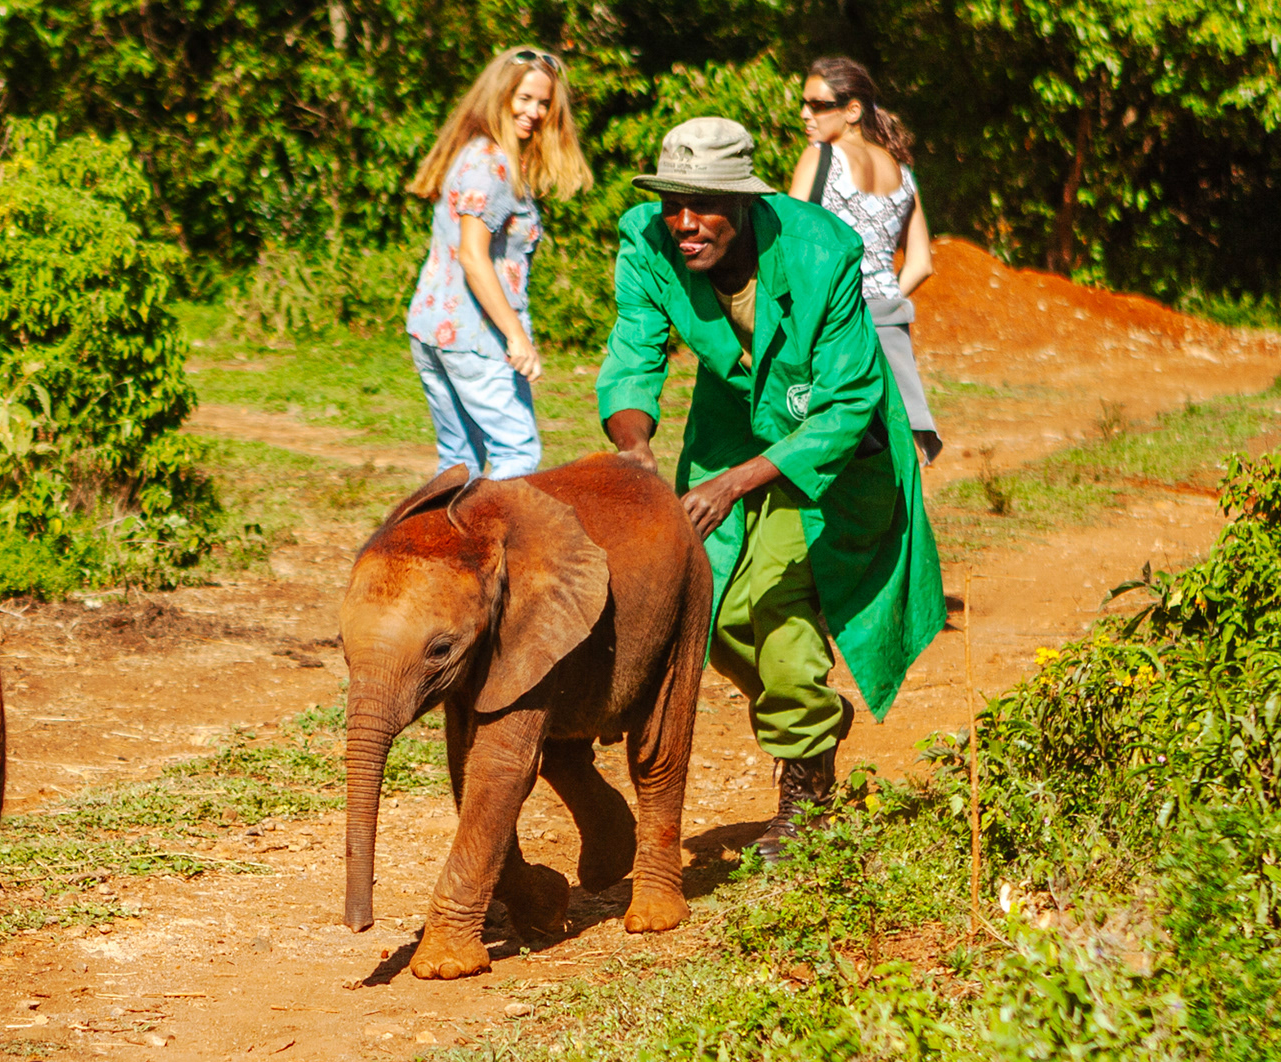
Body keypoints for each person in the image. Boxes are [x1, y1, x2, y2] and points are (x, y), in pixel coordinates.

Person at [597, 117, 944, 860]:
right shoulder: (648, 241)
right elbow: (634, 350)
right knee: (710, 608)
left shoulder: (821, 251)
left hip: (829, 445)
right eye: (672, 202)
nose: (684, 222)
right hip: (727, 432)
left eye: (705, 204)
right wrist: (635, 450)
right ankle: (811, 714)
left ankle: (805, 791)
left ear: (746, 203)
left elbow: (850, 401)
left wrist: (741, 483)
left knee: (776, 598)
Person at [404, 47, 591, 479]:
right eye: (524, 98)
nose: (535, 112)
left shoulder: (470, 152)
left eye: (544, 103)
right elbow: (473, 256)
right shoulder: (495, 165)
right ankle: (498, 547)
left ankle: (439, 547)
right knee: (516, 455)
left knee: (458, 464)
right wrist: (516, 338)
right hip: (477, 336)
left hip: (433, 327)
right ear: (500, 94)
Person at [788, 57, 943, 464]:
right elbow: (921, 262)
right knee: (892, 454)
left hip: (833, 327)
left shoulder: (821, 157)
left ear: (852, 110)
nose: (805, 114)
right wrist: (882, 297)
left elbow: (789, 246)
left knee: (830, 451)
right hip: (891, 328)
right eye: (803, 104)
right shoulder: (901, 170)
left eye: (818, 105)